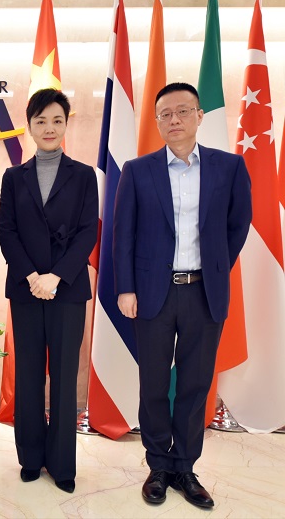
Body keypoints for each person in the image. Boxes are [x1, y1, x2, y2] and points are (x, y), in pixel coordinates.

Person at [114, 82, 252, 509]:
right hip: (152, 294)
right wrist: (126, 288)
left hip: (203, 293)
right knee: (154, 383)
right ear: (157, 121)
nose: (174, 119)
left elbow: (238, 225)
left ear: (199, 116)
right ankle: (158, 466)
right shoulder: (138, 170)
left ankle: (185, 468)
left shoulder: (229, 167)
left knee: (195, 384)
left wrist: (214, 267)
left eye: (183, 111)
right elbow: (123, 234)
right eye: (165, 114)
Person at [0, 88, 98, 494]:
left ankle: (62, 463)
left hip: (67, 290)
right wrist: (32, 277)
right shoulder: (13, 177)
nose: (49, 128)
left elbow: (88, 231)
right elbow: (6, 232)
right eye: (41, 121)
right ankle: (30, 457)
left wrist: (56, 276)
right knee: (28, 374)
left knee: (63, 375)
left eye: (57, 120)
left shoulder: (84, 175)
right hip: (26, 291)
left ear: (66, 124)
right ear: (29, 126)